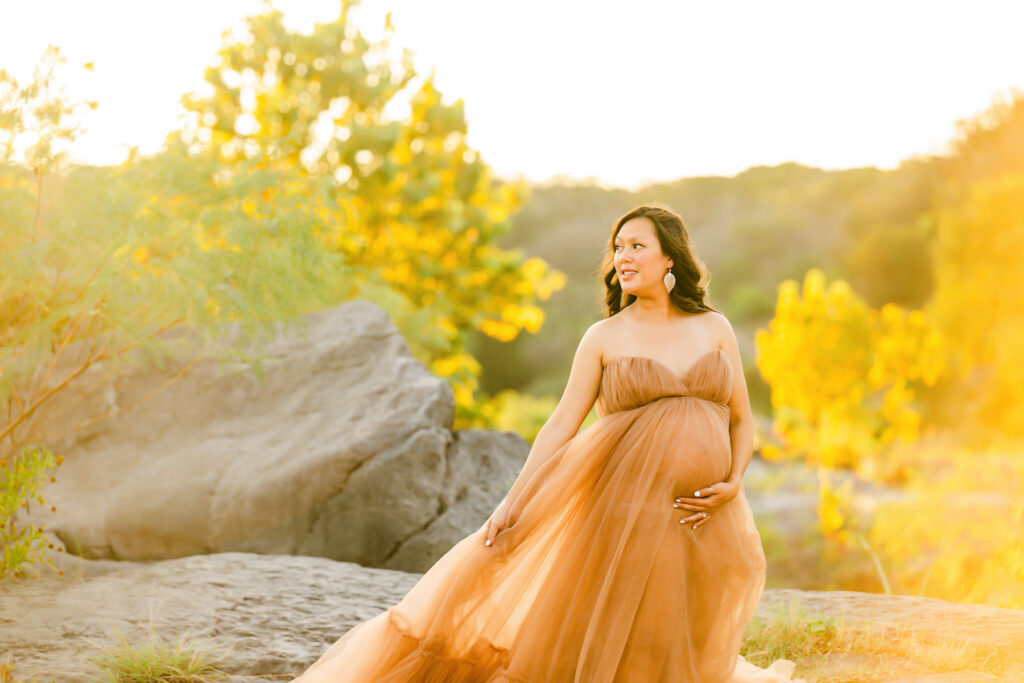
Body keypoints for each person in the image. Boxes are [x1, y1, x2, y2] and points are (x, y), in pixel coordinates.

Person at [290, 203, 806, 682]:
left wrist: (734, 482)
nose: (622, 257)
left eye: (636, 246)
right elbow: (560, 425)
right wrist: (514, 502)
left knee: (685, 629)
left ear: (669, 257)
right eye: (618, 247)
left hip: (703, 511)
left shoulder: (714, 327)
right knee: (624, 629)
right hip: (625, 509)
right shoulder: (604, 338)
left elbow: (741, 418)